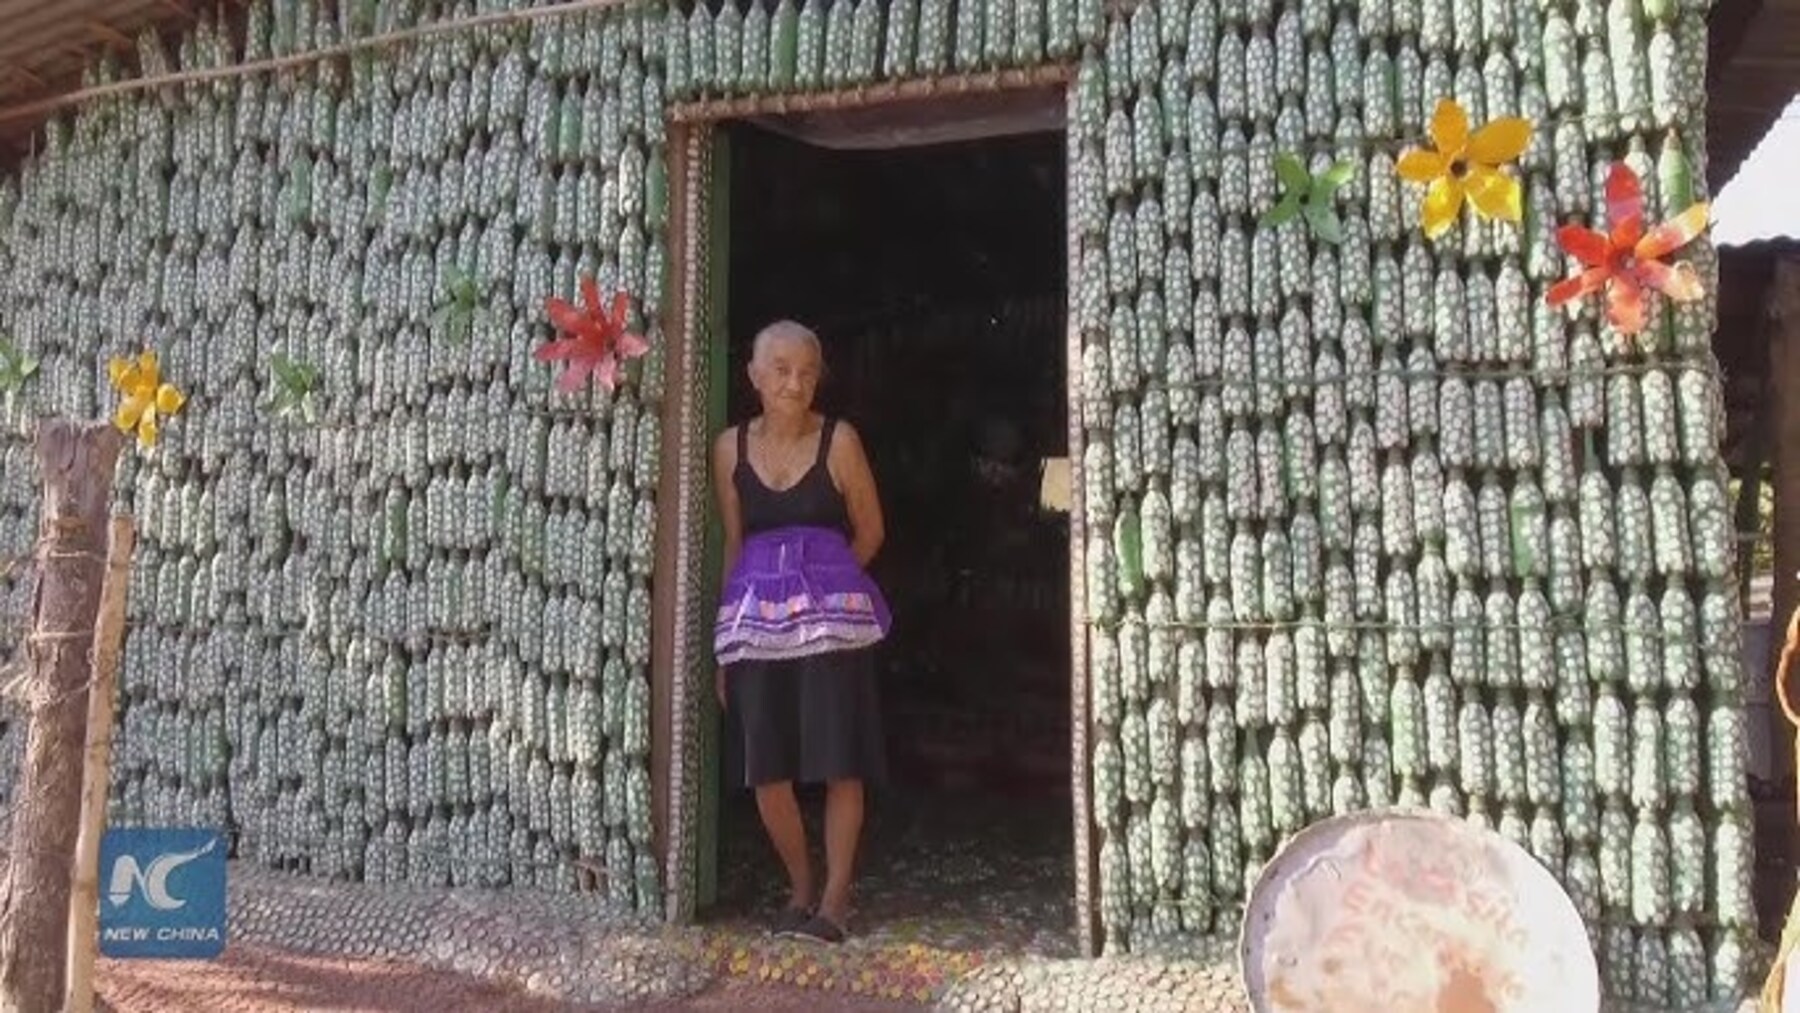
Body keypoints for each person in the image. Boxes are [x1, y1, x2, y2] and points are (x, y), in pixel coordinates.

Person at [711, 319, 890, 945]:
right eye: (781, 370)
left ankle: (836, 900)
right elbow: (735, 545)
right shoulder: (728, 447)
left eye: (808, 371)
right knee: (767, 767)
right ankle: (801, 887)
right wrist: (725, 645)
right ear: (755, 376)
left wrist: (821, 588)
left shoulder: (840, 442)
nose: (795, 382)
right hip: (755, 630)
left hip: (831, 628)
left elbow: (871, 532)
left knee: (841, 759)